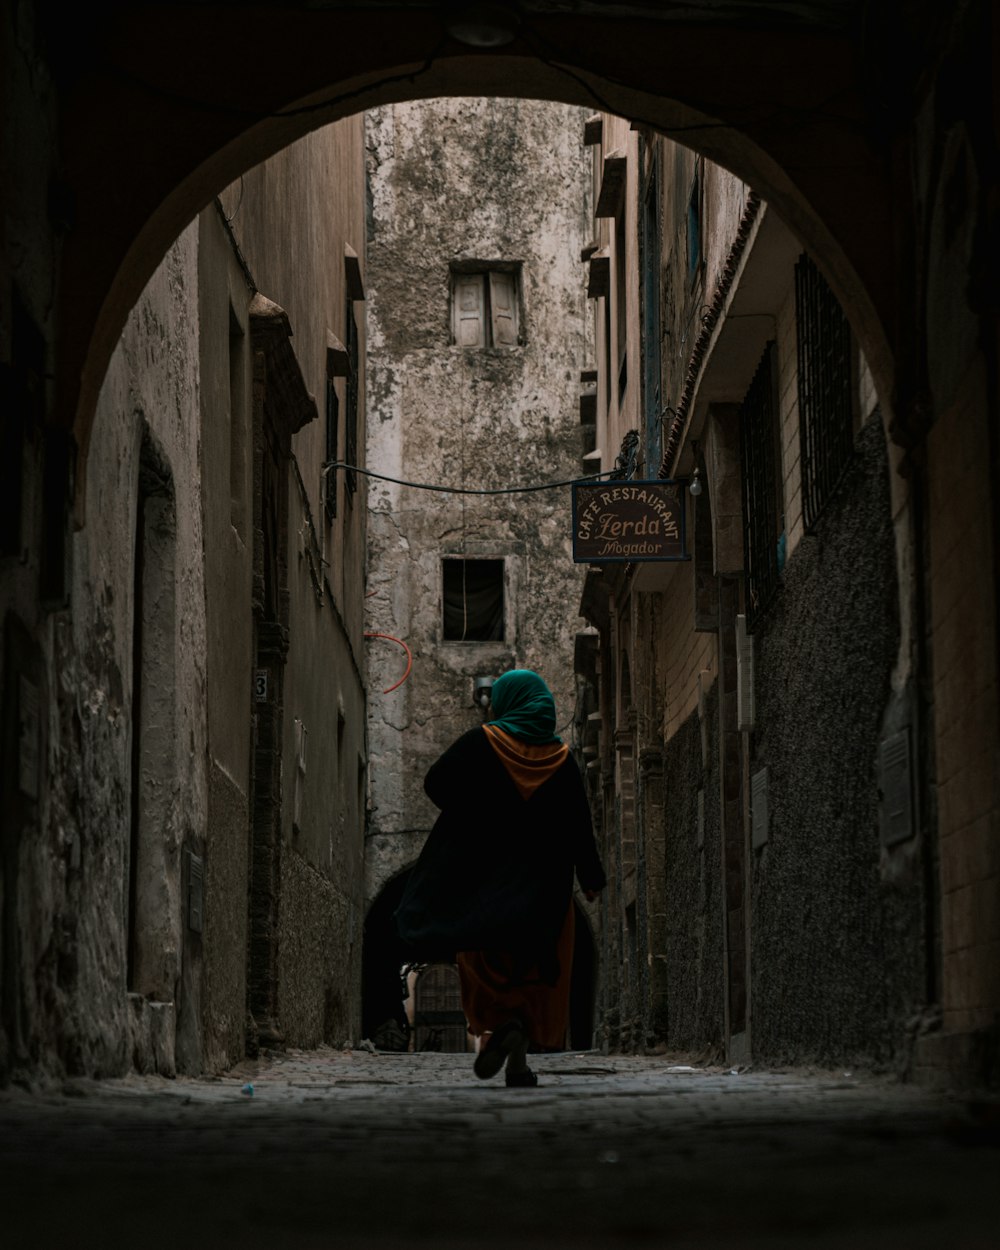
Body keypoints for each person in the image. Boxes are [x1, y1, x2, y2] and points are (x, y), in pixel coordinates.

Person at [394, 669, 606, 1086]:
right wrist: (592, 877)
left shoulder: (481, 743)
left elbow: (436, 782)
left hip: (484, 882)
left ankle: (498, 1029)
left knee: (481, 960)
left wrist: (474, 810)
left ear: (506, 702)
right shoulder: (562, 761)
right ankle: (520, 1063)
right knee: (535, 974)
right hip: (544, 890)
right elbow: (580, 824)